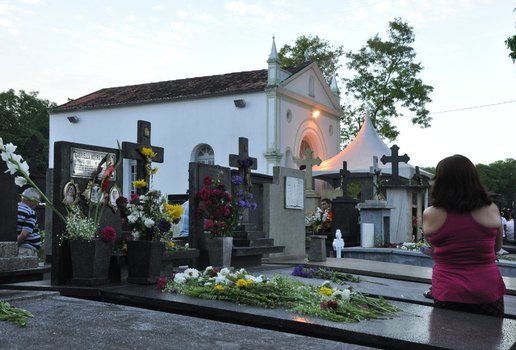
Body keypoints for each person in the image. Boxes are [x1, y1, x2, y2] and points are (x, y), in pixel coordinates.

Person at [422, 155, 506, 317]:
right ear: (473, 179)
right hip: (487, 290)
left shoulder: (430, 214)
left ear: (441, 181)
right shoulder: (491, 209)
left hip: (447, 291)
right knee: (490, 339)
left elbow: (434, 248)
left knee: (445, 339)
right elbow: (497, 247)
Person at [17, 187, 42, 257]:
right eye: (37, 202)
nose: (37, 205)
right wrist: (14, 245)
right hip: (25, 250)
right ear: (32, 200)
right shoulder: (30, 212)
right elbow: (24, 234)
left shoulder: (14, 208)